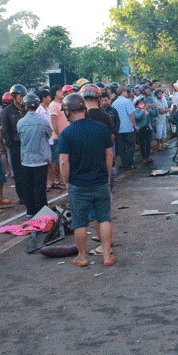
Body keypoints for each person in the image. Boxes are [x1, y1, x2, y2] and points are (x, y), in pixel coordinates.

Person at [58, 94, 115, 267]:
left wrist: (67, 181)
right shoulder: (100, 128)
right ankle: (106, 256)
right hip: (100, 181)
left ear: (67, 111)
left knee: (80, 222)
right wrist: (107, 175)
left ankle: (82, 257)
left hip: (78, 183)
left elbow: (63, 161)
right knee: (104, 218)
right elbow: (109, 154)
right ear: (84, 109)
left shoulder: (66, 133)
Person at [17, 93, 52, 216]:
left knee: (28, 186)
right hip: (40, 158)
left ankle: (30, 210)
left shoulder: (20, 122)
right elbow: (49, 134)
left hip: (26, 158)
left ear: (25, 106)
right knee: (40, 187)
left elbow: (20, 136)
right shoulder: (43, 121)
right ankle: (42, 211)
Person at [0, 84, 28, 203]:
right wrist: (10, 143)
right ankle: (22, 196)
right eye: (20, 95)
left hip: (27, 144)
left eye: (23, 95)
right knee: (18, 171)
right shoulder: (7, 111)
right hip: (15, 145)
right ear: (14, 96)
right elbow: (4, 129)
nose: (22, 98)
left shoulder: (26, 109)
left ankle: (29, 193)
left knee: (28, 170)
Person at [111, 86, 138, 170]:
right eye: (126, 91)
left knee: (122, 147)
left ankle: (125, 163)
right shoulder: (127, 101)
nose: (127, 93)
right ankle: (129, 164)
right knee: (130, 146)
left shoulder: (114, 103)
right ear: (123, 91)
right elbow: (131, 114)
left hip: (119, 129)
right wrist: (135, 125)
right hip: (128, 127)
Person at [133, 95, 153, 163]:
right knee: (142, 144)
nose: (142, 104)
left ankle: (147, 156)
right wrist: (143, 110)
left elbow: (154, 114)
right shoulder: (135, 111)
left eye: (142, 103)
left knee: (148, 143)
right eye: (140, 103)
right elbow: (138, 117)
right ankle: (144, 157)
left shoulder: (146, 110)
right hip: (140, 129)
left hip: (147, 128)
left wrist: (154, 108)